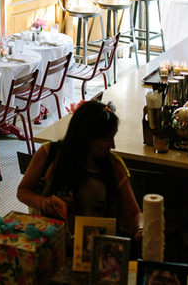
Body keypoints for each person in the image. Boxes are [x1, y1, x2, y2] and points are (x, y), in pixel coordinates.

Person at [17, 100, 143, 240]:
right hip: (51, 241)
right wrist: (43, 202)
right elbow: (22, 191)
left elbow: (134, 214)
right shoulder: (49, 154)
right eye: (107, 140)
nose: (113, 145)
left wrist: (140, 229)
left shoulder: (113, 165)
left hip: (95, 245)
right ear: (86, 138)